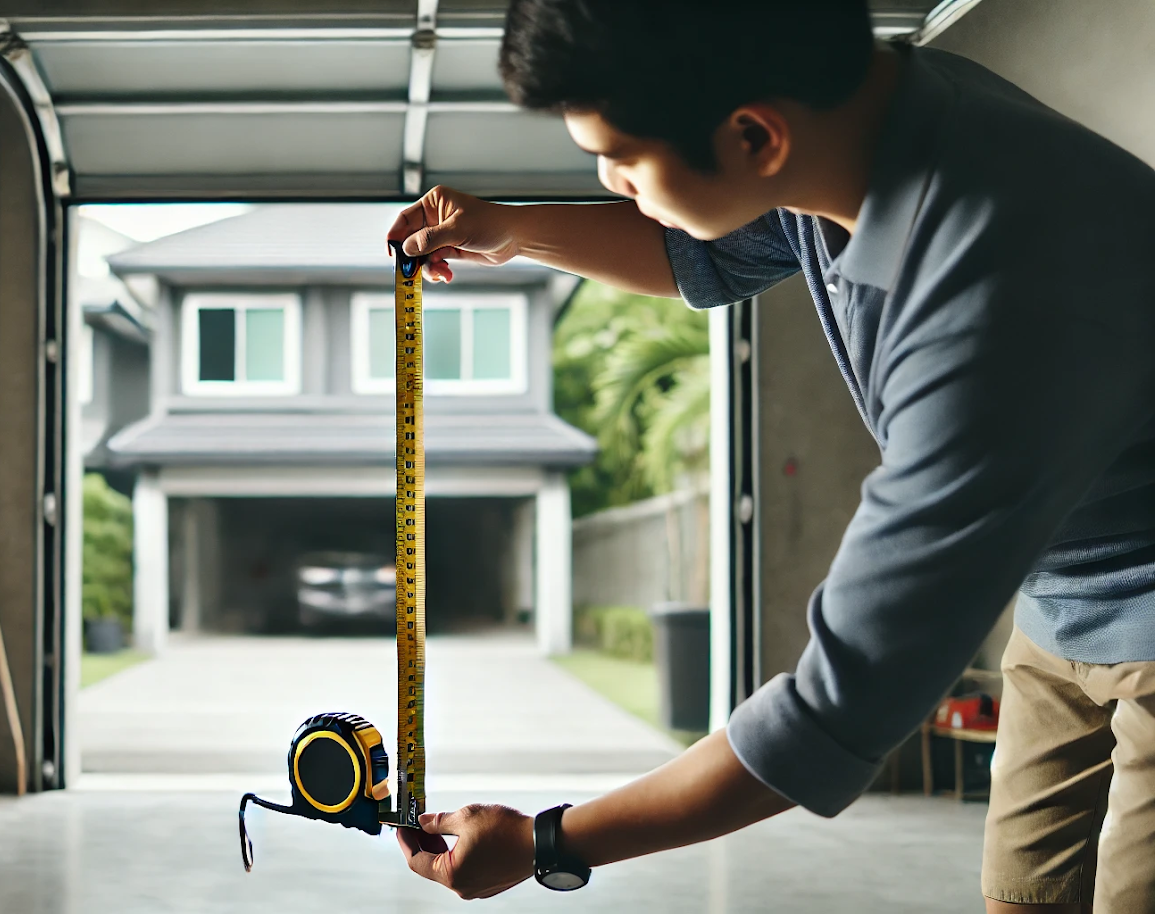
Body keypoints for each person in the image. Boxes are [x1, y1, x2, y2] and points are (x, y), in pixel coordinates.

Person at [385, 2, 1155, 911]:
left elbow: (834, 709)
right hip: (1061, 597)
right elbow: (694, 255)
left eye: (624, 156)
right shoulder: (864, 121)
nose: (610, 179)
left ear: (754, 135)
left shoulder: (990, 296)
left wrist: (545, 842)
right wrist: (512, 228)